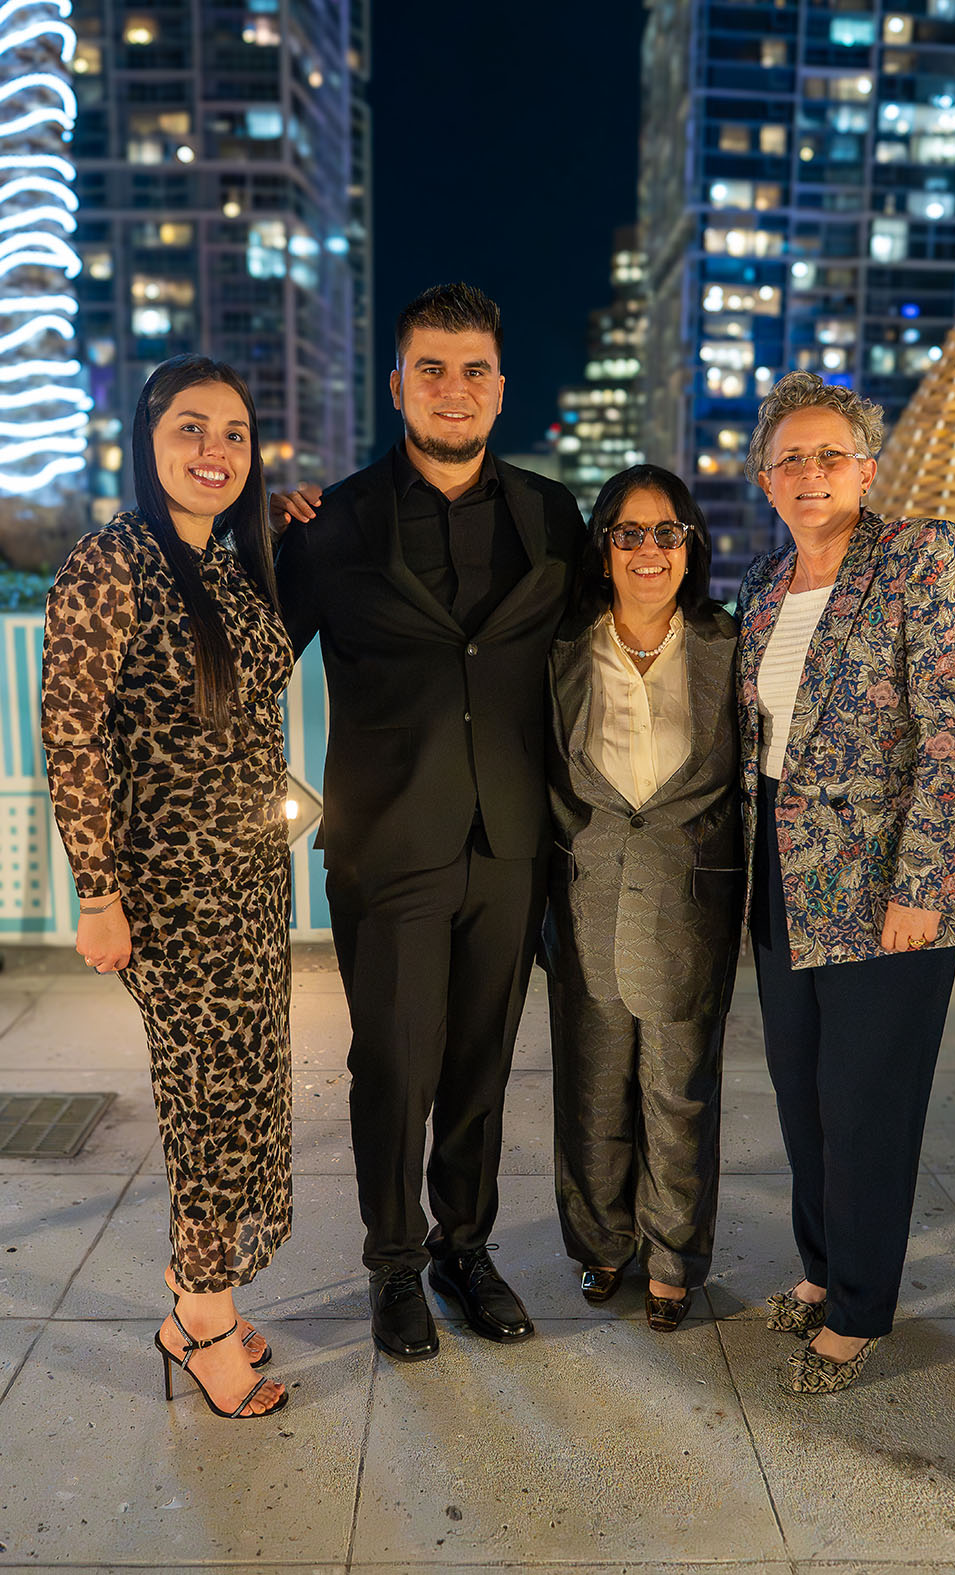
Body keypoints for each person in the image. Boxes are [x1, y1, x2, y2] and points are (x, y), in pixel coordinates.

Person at [272, 283, 584, 1362]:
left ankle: (465, 1248)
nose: (455, 388)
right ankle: (394, 1264)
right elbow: (249, 660)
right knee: (395, 1065)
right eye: (433, 369)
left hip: (511, 839)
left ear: (501, 388)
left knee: (482, 1064)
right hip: (387, 840)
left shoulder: (552, 515)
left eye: (474, 370)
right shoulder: (331, 521)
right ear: (398, 383)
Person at [736, 370, 955, 1393]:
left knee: (866, 1103)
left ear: (867, 469)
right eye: (791, 458)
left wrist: (923, 883)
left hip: (889, 884)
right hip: (781, 879)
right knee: (801, 1092)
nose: (811, 472)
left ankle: (859, 1309)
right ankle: (820, 1270)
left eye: (830, 454)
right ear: (765, 478)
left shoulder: (918, 558)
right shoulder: (765, 582)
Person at [41, 354, 292, 1420]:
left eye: (234, 433)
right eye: (191, 428)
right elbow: (70, 736)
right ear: (149, 442)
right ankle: (201, 1318)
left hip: (250, 883)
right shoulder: (112, 562)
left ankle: (201, 1297)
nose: (214, 451)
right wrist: (99, 895)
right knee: (209, 1106)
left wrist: (291, 522)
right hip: (173, 894)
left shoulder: (219, 561)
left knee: (250, 1088)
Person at [542, 465, 742, 1330]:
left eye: (667, 533)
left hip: (690, 902)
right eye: (629, 533)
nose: (649, 550)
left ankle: (674, 1259)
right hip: (585, 896)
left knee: (679, 1093)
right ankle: (600, 1243)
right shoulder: (563, 648)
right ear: (604, 549)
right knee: (590, 1090)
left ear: (690, 548)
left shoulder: (727, 643)